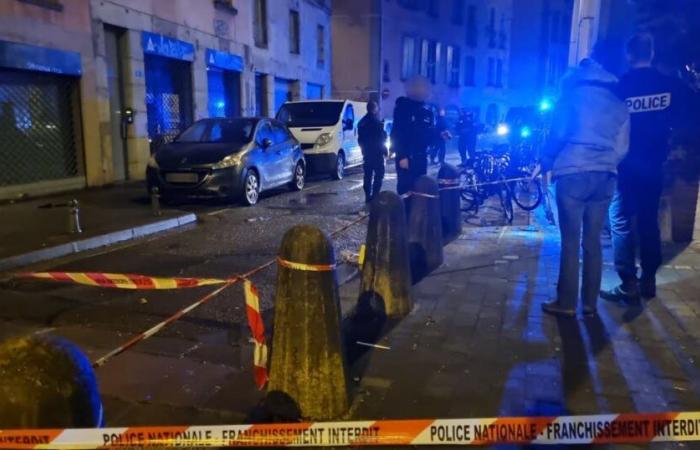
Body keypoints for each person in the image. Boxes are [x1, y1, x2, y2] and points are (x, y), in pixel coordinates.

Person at [601, 33, 690, 303]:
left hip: (625, 165)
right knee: (649, 220)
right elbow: (689, 116)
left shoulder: (621, 86)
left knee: (620, 220)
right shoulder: (669, 85)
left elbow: (609, 124)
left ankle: (628, 280)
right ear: (651, 54)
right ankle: (648, 278)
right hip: (654, 165)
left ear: (629, 55)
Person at [539, 58, 630, 317]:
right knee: (594, 241)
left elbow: (558, 135)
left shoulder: (570, 99)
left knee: (570, 241)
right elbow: (622, 148)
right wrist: (606, 163)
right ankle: (590, 304)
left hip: (573, 173)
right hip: (605, 176)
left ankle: (566, 303)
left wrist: (546, 160)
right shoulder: (618, 104)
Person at [391, 76, 438, 195]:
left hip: (421, 156)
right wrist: (402, 156)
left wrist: (440, 135)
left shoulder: (427, 111)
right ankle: (405, 212)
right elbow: (398, 133)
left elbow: (429, 134)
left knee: (420, 188)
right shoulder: (403, 108)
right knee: (406, 189)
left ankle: (418, 212)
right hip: (408, 156)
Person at [358, 100, 387, 203]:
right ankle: (375, 195)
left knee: (368, 175)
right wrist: (385, 151)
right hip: (377, 153)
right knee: (379, 174)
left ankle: (367, 195)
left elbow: (360, 139)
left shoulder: (361, 122)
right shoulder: (377, 123)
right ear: (374, 109)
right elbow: (382, 139)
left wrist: (363, 149)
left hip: (367, 153)